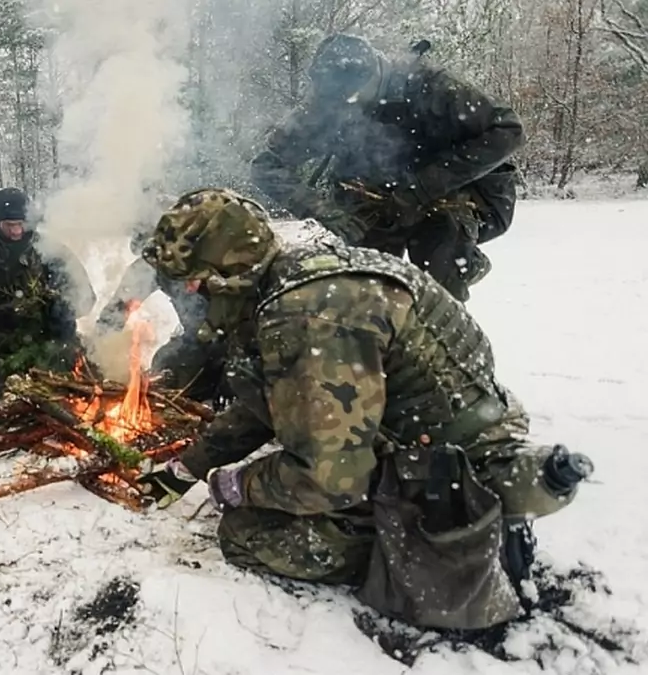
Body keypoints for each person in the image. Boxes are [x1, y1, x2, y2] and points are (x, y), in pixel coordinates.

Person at [135, 189, 592, 630]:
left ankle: (432, 543)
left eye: (194, 281)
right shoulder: (304, 275)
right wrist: (191, 466)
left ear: (226, 271)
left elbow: (328, 480)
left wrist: (238, 485)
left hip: (441, 470)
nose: (191, 293)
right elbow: (275, 399)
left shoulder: (304, 317)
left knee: (244, 534)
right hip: (459, 433)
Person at [249, 34, 523, 301]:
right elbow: (266, 166)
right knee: (366, 287)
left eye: (353, 97)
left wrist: (422, 188)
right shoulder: (328, 103)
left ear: (374, 75)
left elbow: (508, 129)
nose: (346, 107)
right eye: (336, 100)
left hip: (456, 195)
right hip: (376, 200)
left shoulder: (431, 85)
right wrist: (324, 212)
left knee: (438, 267)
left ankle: (454, 284)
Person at [0, 187, 96, 402]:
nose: (16, 232)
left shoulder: (50, 250)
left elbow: (85, 294)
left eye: (20, 224)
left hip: (49, 336)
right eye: (9, 225)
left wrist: (64, 308)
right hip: (0, 342)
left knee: (88, 378)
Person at [96, 217, 224, 404]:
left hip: (232, 343)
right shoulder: (150, 267)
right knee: (166, 362)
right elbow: (117, 308)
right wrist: (97, 345)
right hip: (194, 340)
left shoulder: (211, 262)